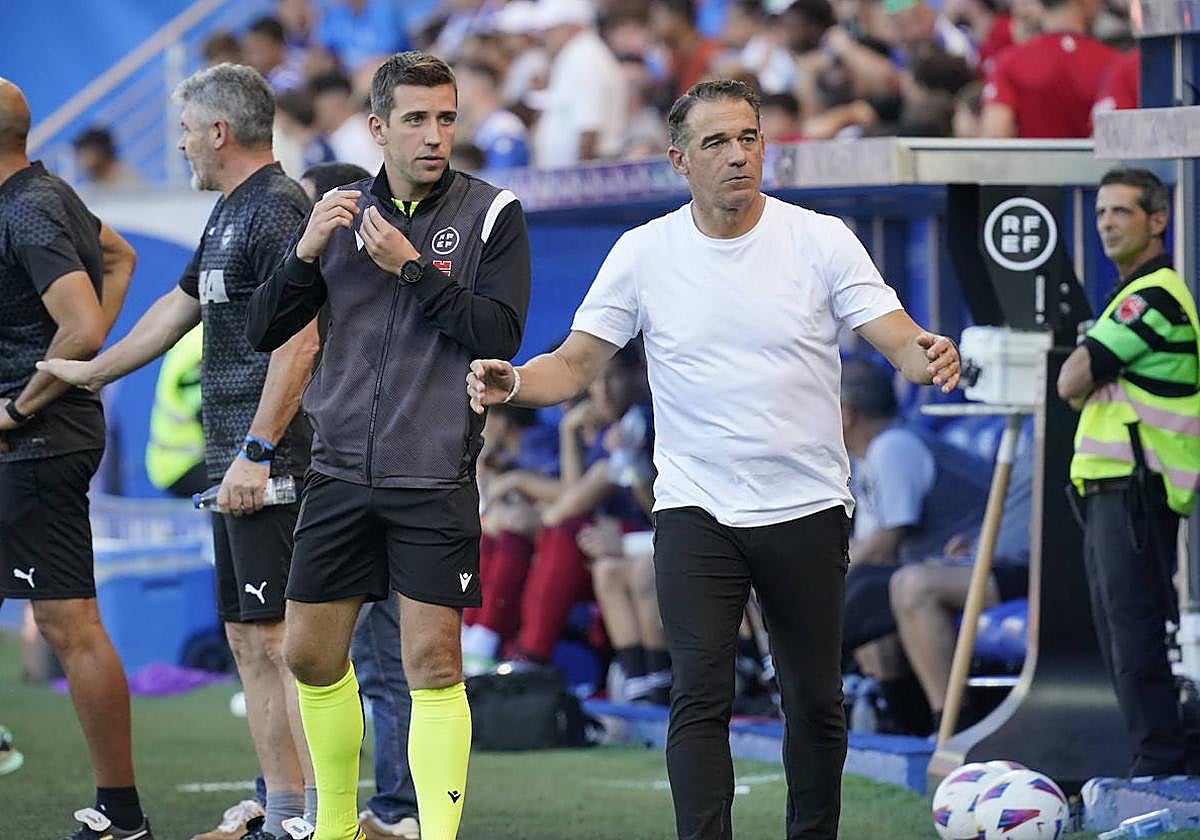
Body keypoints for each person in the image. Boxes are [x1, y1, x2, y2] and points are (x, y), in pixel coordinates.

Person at [466, 78, 961, 840]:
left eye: (749, 138)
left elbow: (895, 334)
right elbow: (574, 365)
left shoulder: (820, 238)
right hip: (697, 508)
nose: (738, 156)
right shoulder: (644, 252)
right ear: (678, 160)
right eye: (717, 143)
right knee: (700, 694)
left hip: (806, 505)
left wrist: (926, 354)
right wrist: (516, 382)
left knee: (814, 698)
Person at [245, 51, 532, 840]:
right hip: (337, 471)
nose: (435, 135)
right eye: (416, 119)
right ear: (378, 127)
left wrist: (409, 271)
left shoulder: (492, 213)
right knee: (309, 656)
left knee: (433, 664)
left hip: (433, 473)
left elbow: (499, 333)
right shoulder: (334, 216)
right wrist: (305, 250)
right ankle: (336, 827)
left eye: (446, 117)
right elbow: (262, 330)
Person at [39, 64, 319, 840]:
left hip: (273, 461)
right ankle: (287, 809)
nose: (183, 144)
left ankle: (310, 815)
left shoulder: (277, 210)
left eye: (187, 131)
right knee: (247, 637)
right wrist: (91, 369)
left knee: (282, 641)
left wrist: (259, 451)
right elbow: (176, 308)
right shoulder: (232, 211)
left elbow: (301, 344)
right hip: (236, 458)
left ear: (220, 133)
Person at [0, 76, 144, 840]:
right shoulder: (42, 195)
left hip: (35, 439)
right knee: (62, 619)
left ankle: (121, 815)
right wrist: (79, 364)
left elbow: (82, 325)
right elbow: (117, 258)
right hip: (32, 432)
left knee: (67, 622)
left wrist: (20, 403)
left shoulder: (27, 208)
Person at [1057, 167, 1200, 776]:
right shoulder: (1126, 295)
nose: (1107, 224)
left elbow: (1071, 380)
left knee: (1134, 631)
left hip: (1139, 489)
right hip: (1114, 490)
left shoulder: (1155, 293)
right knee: (1121, 633)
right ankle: (1154, 754)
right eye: (1100, 214)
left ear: (1158, 221)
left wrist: (1086, 375)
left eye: (1121, 212)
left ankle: (1159, 762)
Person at [298, 160, 422, 840]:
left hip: (385, 488)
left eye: (313, 209)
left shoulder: (369, 289)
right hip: (355, 483)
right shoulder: (335, 286)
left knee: (386, 657)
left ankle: (401, 809)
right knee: (363, 657)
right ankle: (387, 804)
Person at [889, 449, 1033, 732]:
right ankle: (933, 722)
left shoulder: (1060, 442)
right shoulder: (1029, 446)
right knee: (896, 583)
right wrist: (975, 544)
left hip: (1031, 567)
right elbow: (1012, 514)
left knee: (914, 586)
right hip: (995, 560)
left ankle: (954, 725)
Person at [980, 0, 1119, 137]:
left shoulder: (1009, 61)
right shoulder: (1114, 61)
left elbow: (996, 135)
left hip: (1035, 159)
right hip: (1090, 158)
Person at [144, 323, 206, 497]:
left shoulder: (199, 333)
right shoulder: (202, 347)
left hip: (190, 459)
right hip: (180, 464)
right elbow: (212, 420)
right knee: (240, 481)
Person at [72, 127, 143, 188]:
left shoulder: (128, 184)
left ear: (101, 153)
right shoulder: (95, 184)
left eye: (85, 153)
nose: (82, 160)